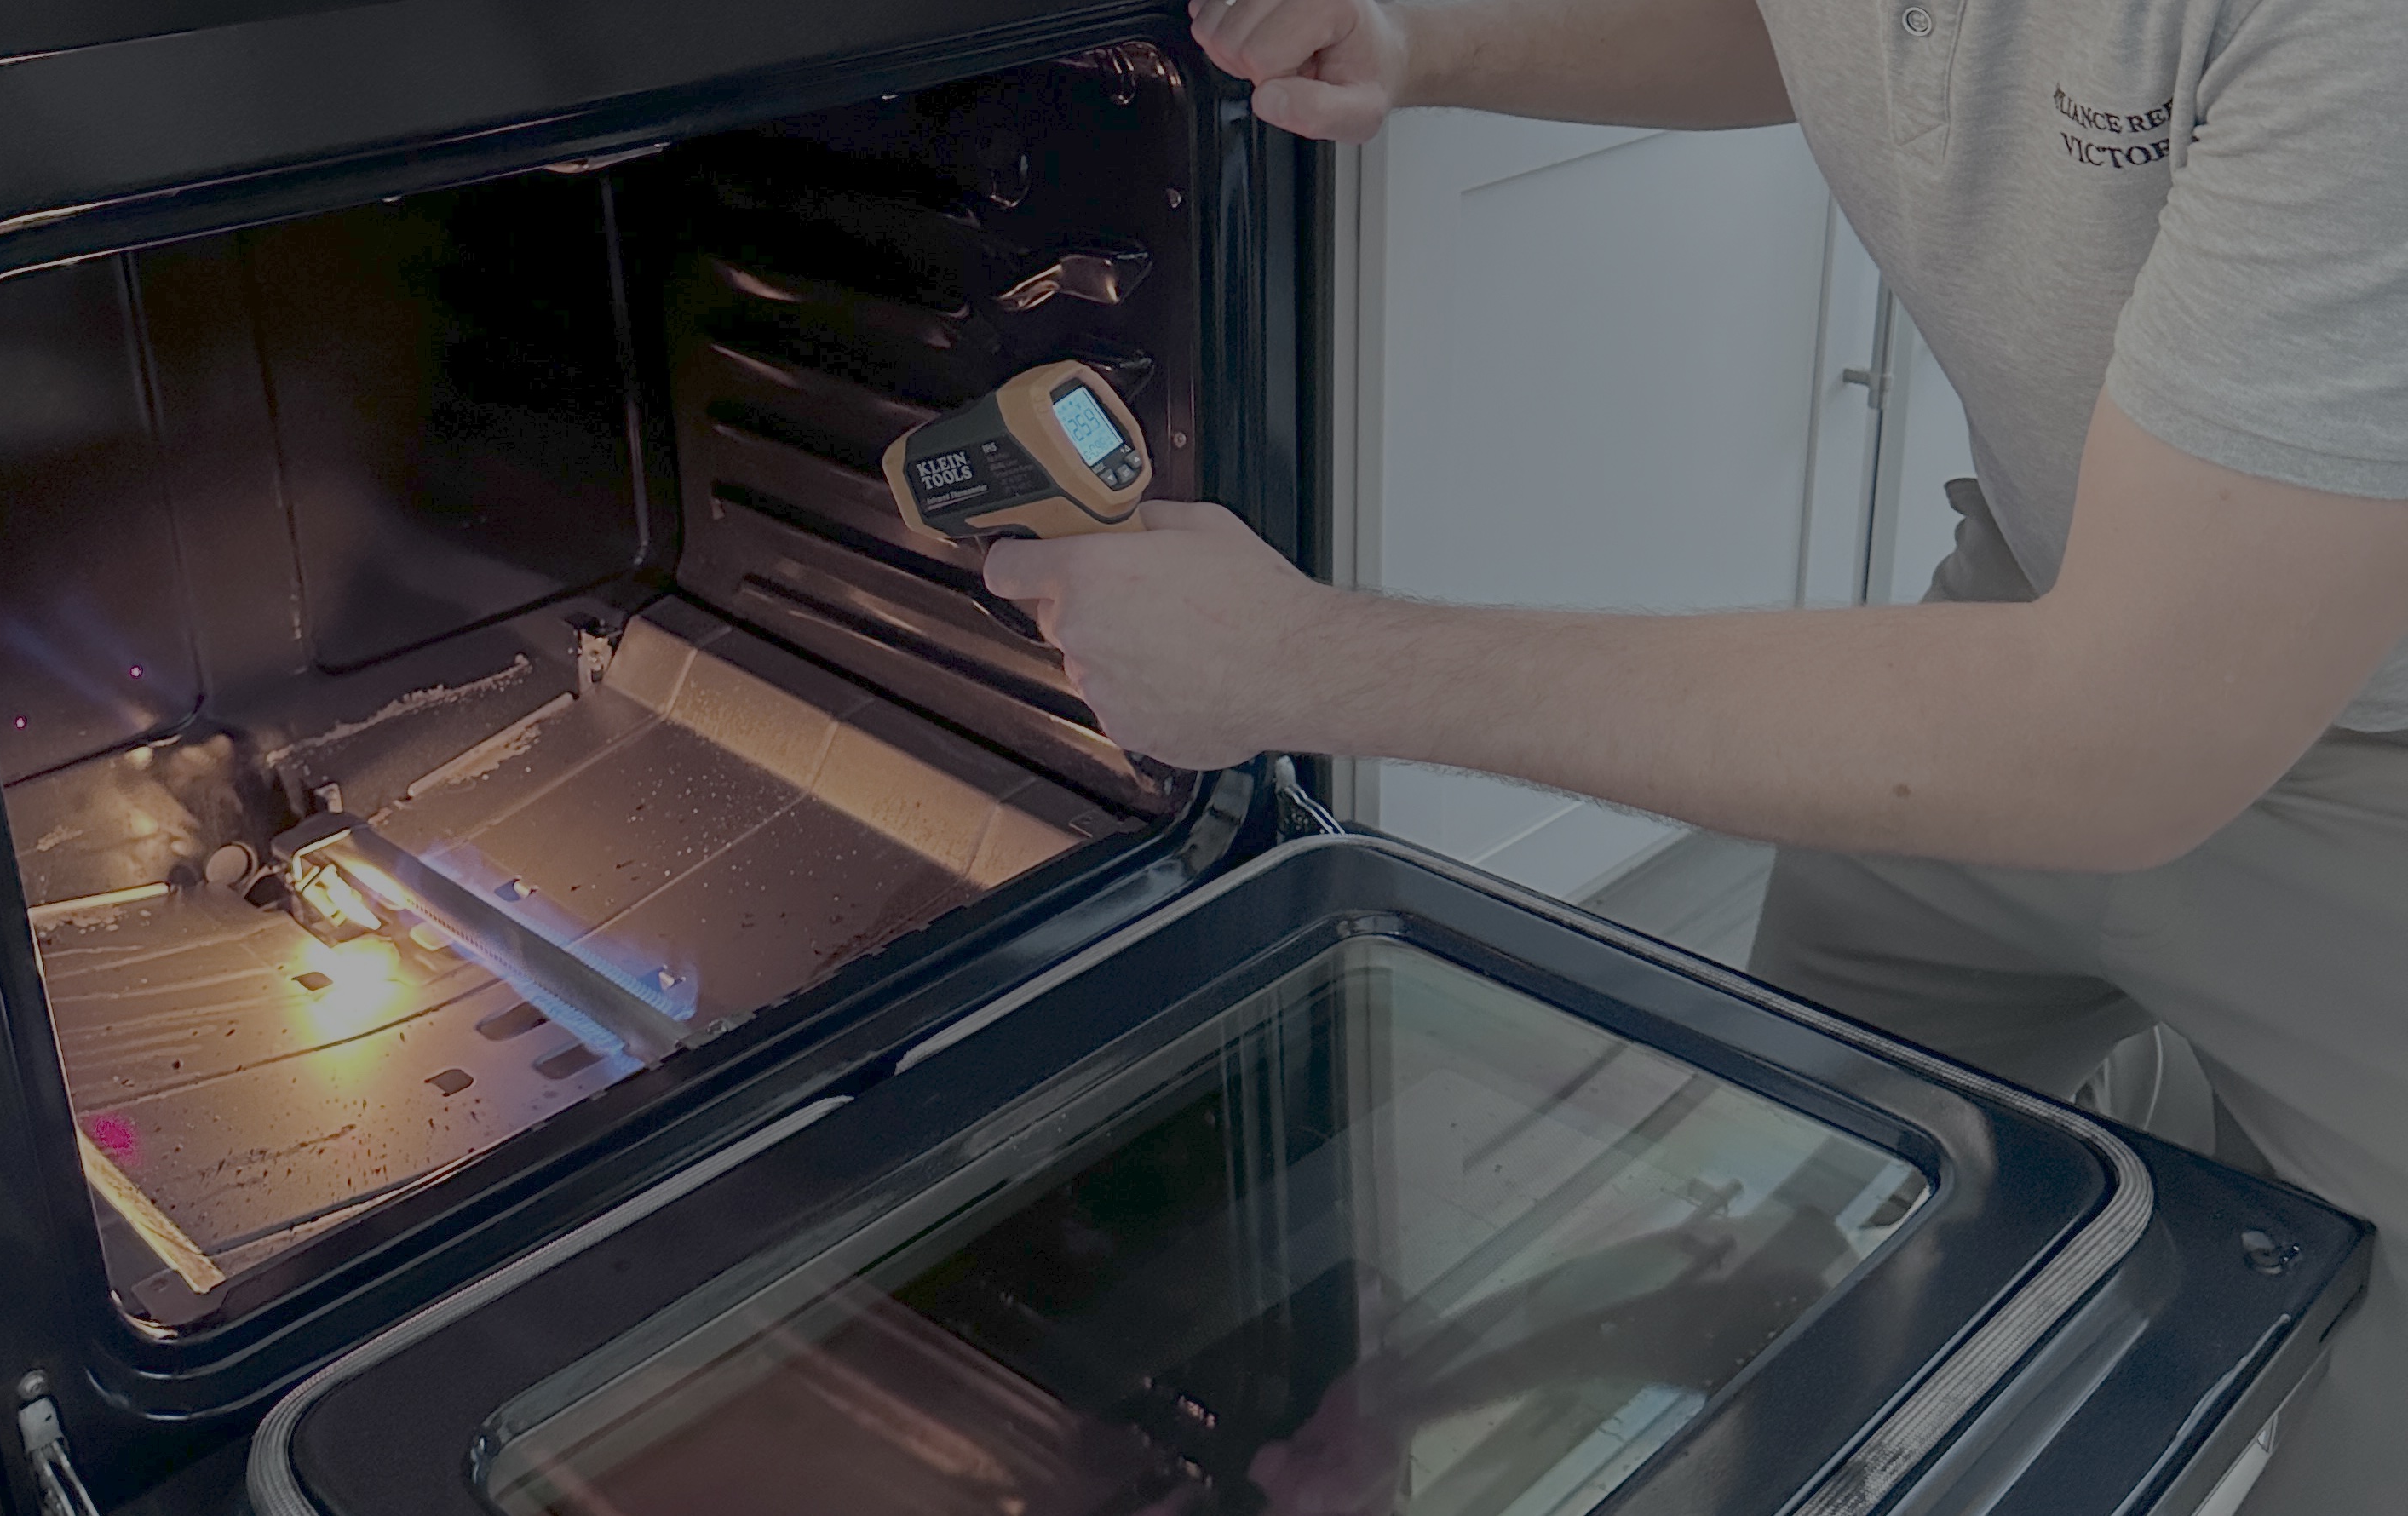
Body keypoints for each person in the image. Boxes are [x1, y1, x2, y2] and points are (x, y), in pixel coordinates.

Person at [984, 0, 2408, 1506]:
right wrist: (1424, 39)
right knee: (1824, 1198)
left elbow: (2123, 729)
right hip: (2027, 608)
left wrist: (1296, 663)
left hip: (2344, 765)